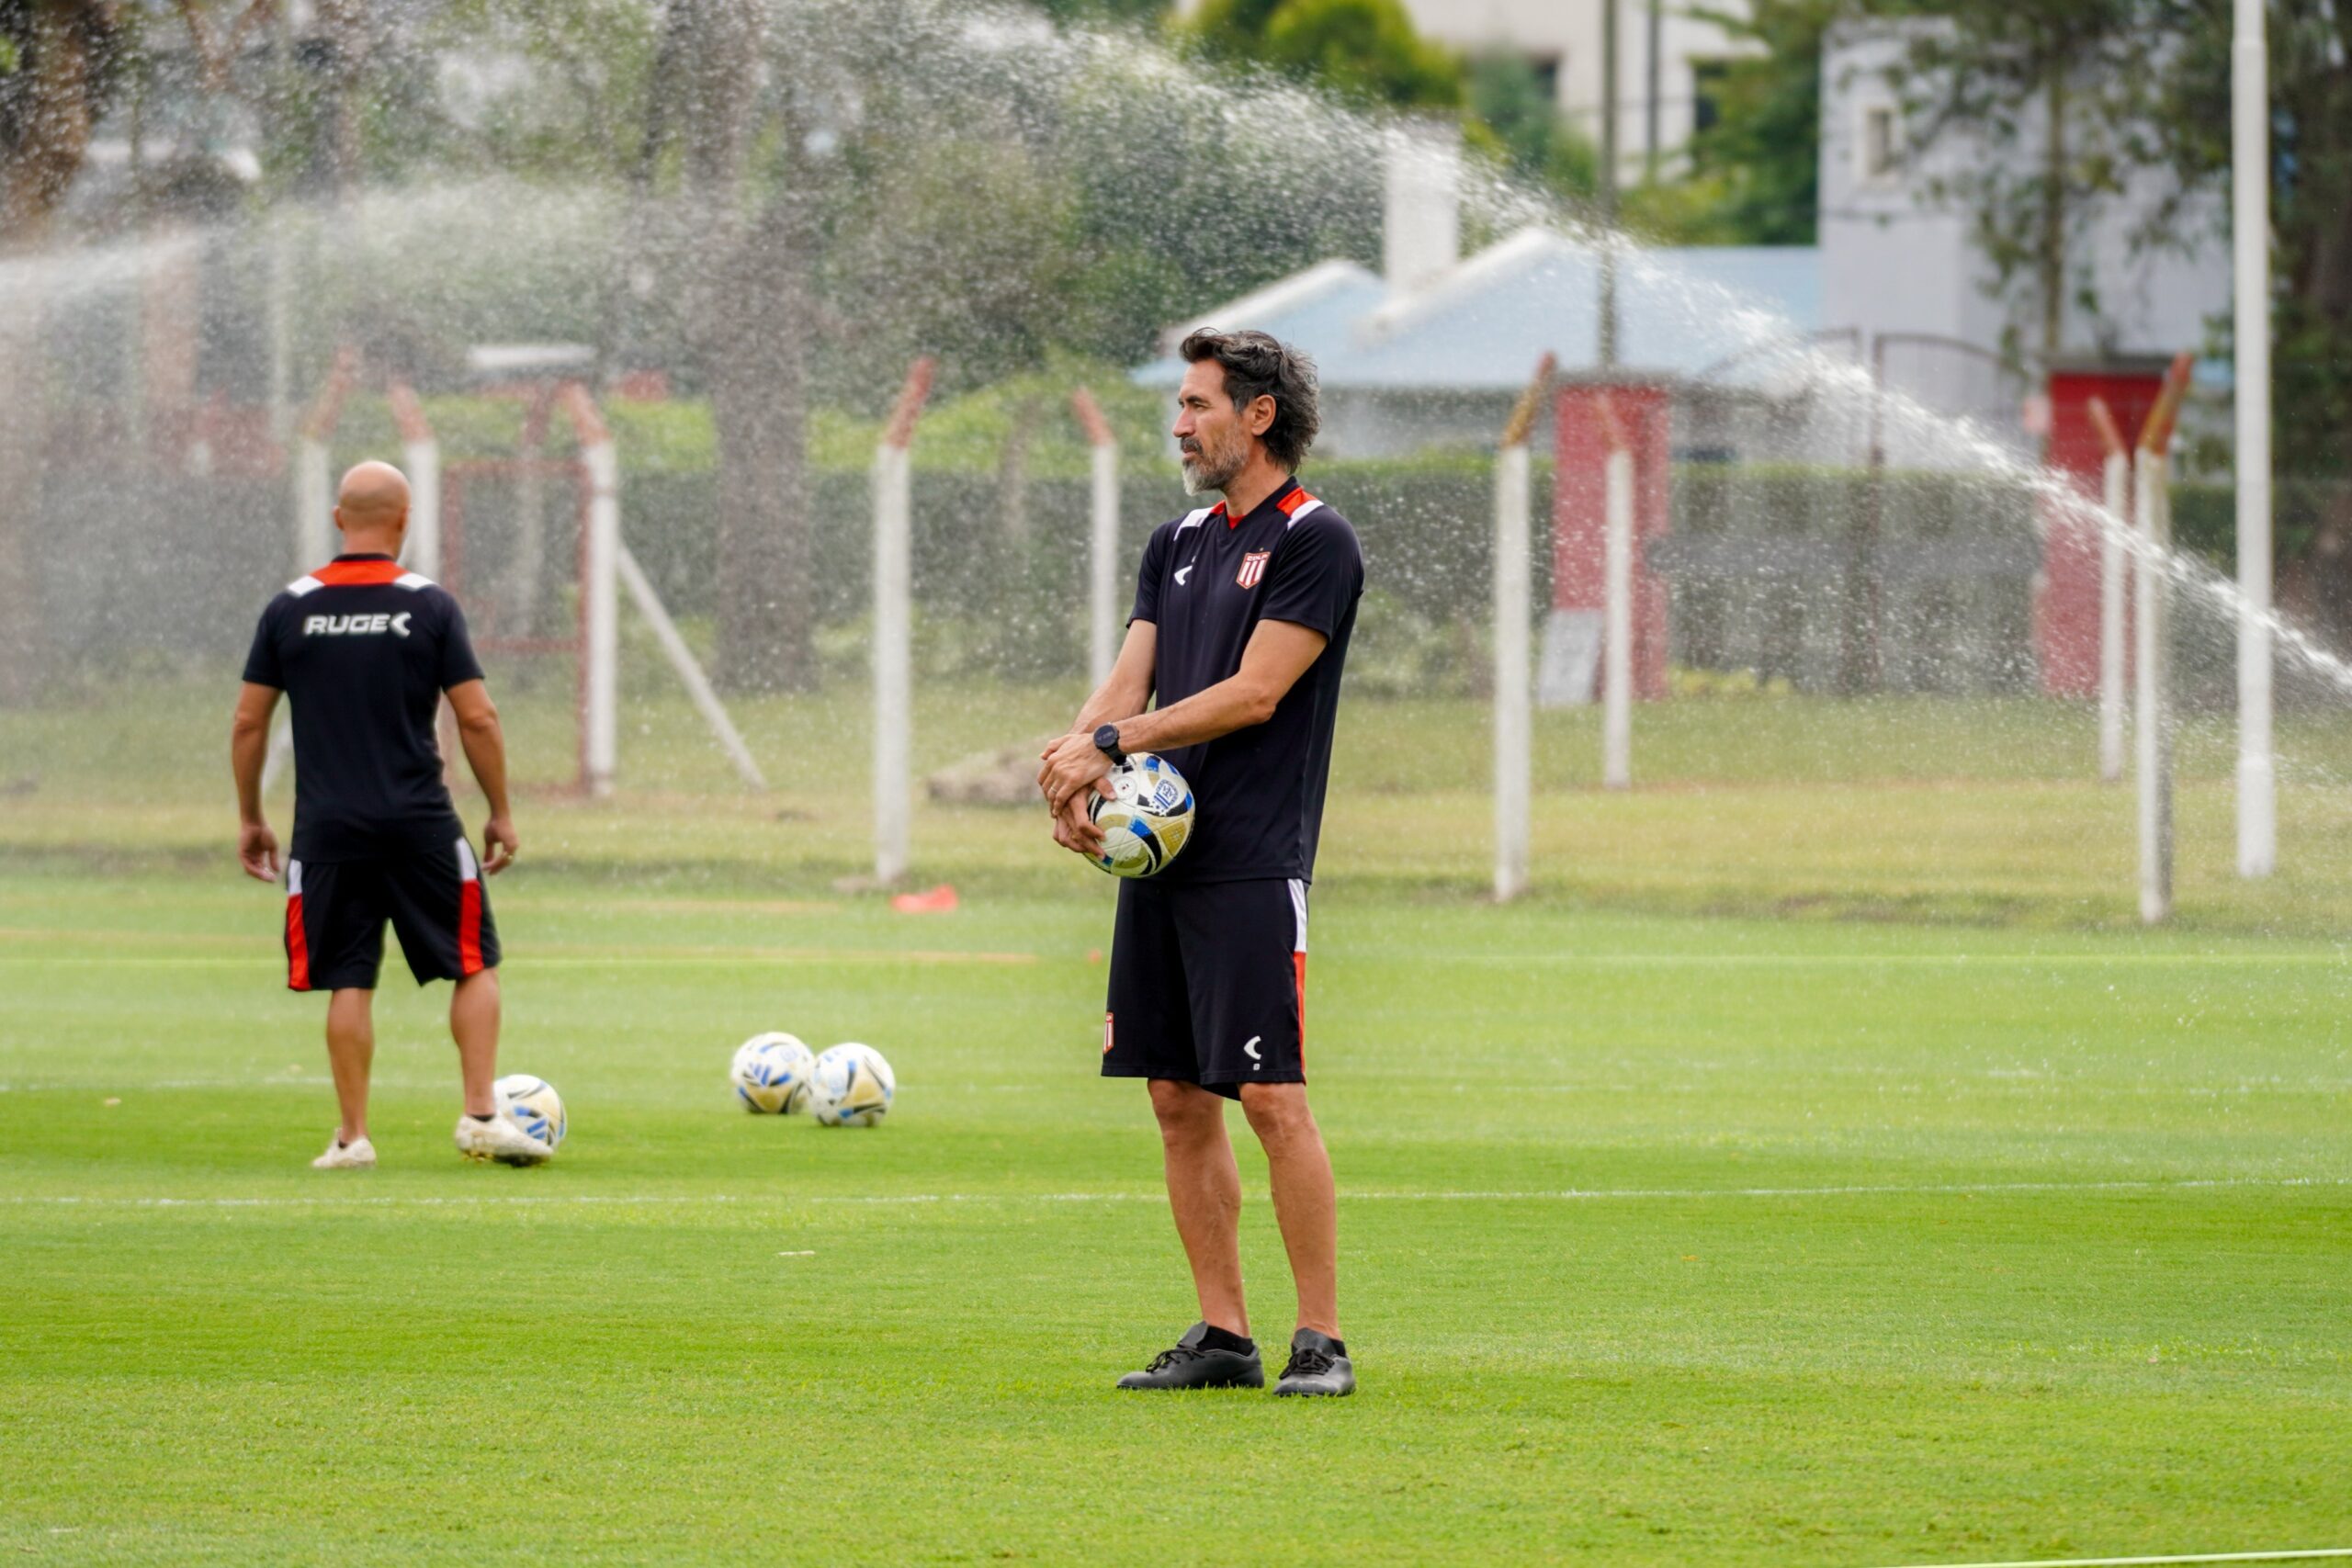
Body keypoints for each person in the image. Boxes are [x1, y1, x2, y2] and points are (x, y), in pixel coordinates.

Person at [1039, 329, 1364, 1397]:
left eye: (1196, 405)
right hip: (1158, 860)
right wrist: (1074, 766)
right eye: (1178, 406)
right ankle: (1223, 1334)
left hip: (1251, 862)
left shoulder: (1315, 539)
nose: (1178, 425)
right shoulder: (1175, 539)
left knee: (1269, 1096)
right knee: (1176, 1097)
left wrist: (1110, 744)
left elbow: (1255, 693)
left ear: (1258, 416)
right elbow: (1127, 678)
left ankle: (1320, 1339)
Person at [229, 460, 548, 1169]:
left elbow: (249, 722)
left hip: (328, 830)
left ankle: (353, 1137)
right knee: (472, 963)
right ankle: (480, 1114)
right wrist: (500, 809)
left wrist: (251, 815)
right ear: (405, 520)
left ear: (338, 519)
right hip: (420, 823)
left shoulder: (289, 607)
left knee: (349, 976)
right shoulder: (429, 605)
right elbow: (478, 717)